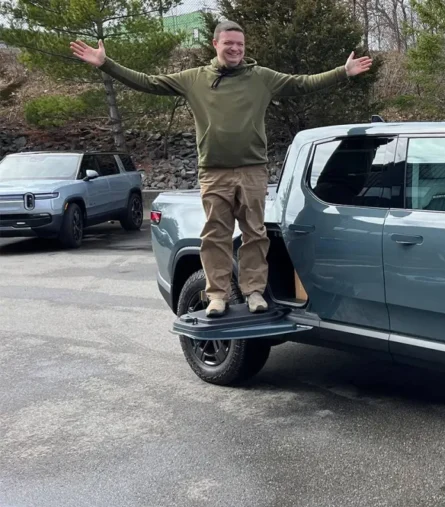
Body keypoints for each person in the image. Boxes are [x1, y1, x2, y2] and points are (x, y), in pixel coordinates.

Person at [70, 21, 372, 317]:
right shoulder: (194, 79)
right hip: (214, 172)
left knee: (255, 233)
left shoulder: (261, 78)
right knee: (215, 235)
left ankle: (254, 291)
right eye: (229, 43)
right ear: (215, 44)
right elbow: (149, 82)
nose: (235, 49)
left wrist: (342, 72)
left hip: (253, 170)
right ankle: (217, 295)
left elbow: (301, 83)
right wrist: (106, 64)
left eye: (240, 44)